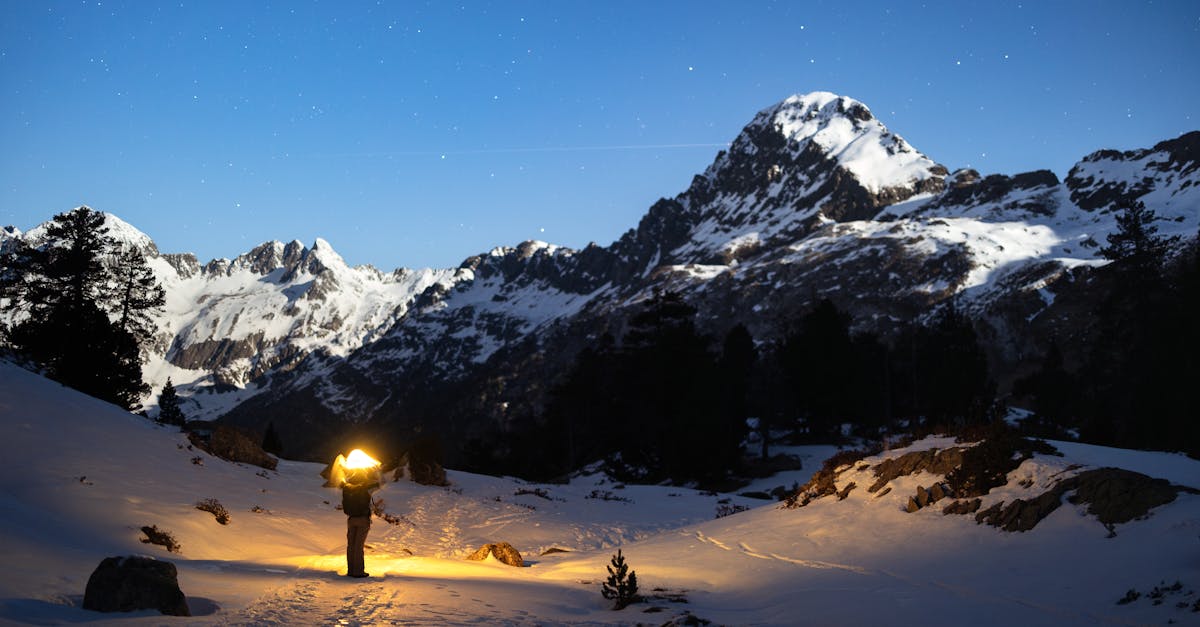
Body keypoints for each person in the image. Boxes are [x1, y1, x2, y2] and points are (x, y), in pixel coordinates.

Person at [341, 466, 381, 578]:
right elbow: (380, 483)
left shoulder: (347, 487)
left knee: (351, 545)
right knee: (358, 545)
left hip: (351, 519)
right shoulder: (366, 487)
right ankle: (358, 572)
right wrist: (376, 472)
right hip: (363, 519)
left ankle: (351, 570)